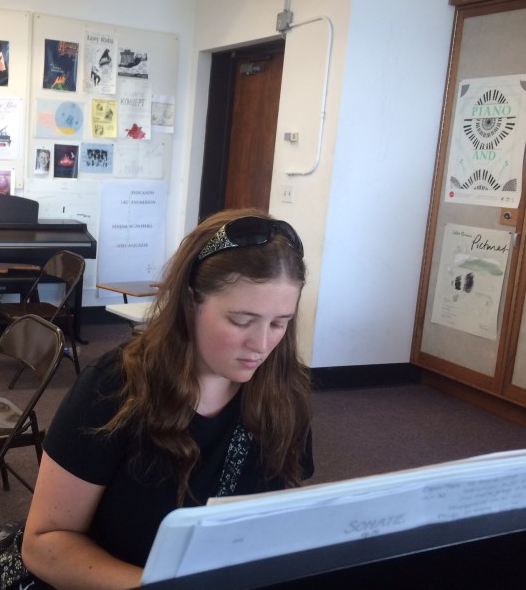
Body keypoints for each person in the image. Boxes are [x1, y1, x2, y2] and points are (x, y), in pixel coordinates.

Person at [18, 208, 314, 590]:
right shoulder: (113, 388)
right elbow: (44, 544)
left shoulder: (286, 392)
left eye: (279, 323)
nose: (261, 344)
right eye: (241, 321)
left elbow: (276, 520)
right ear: (191, 302)